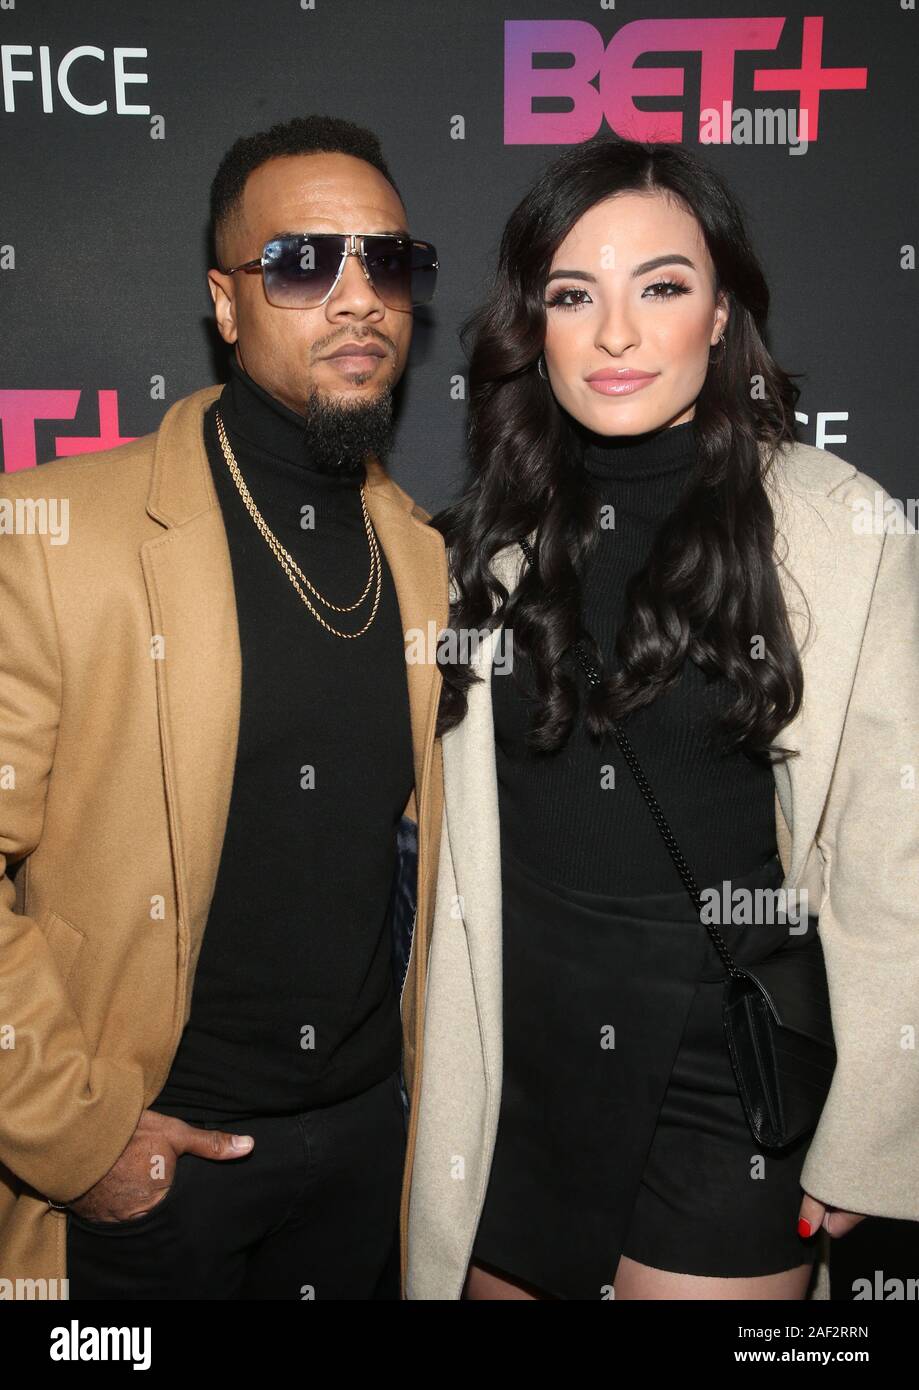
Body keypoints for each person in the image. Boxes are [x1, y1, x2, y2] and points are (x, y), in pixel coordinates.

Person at [406, 135, 919, 1301]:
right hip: (516, 1054)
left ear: (720, 309)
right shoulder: (484, 538)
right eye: (574, 295)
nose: (618, 334)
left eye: (662, 287)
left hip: (724, 1062)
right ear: (534, 326)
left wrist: (875, 1125)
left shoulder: (837, 528)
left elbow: (896, 858)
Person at [0, 114, 448, 1300]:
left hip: (368, 1156)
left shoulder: (430, 560)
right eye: (303, 263)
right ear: (226, 299)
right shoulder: (55, 535)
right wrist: (80, 1137)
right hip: (150, 1171)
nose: (358, 299)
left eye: (388, 262)